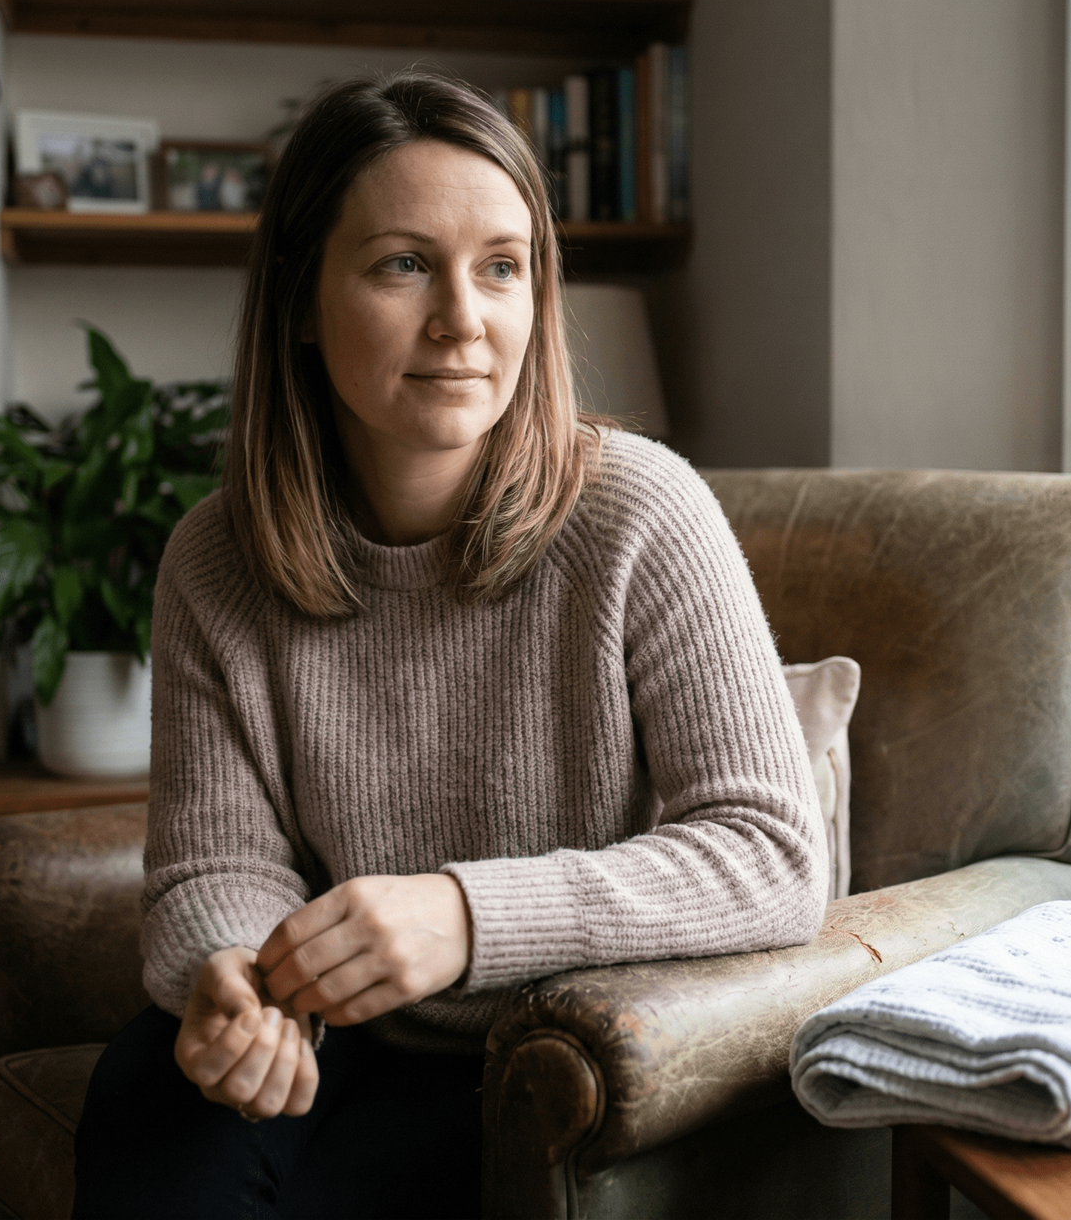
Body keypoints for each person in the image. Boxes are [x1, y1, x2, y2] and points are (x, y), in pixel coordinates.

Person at [72, 72, 828, 1219]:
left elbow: (771, 851)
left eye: (501, 266)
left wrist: (465, 916)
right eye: (402, 263)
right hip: (347, 1051)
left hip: (589, 1064)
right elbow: (212, 863)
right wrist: (230, 983)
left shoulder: (641, 511)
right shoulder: (216, 557)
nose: (462, 321)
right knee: (150, 1084)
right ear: (300, 300)